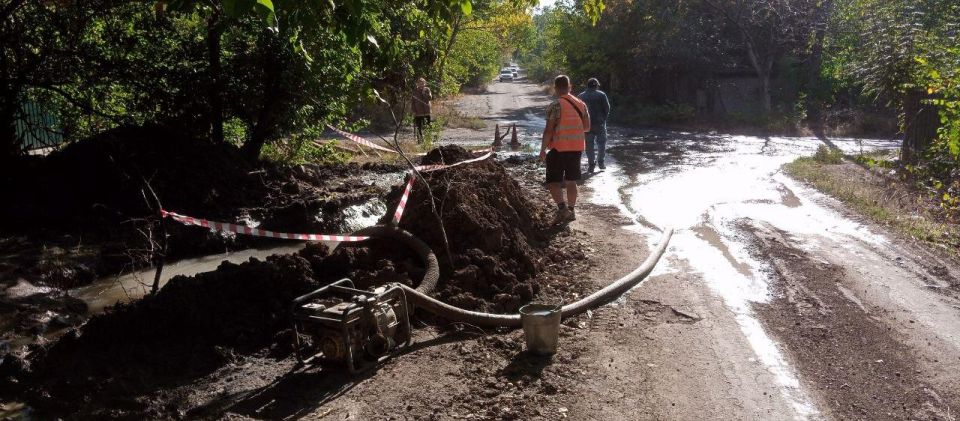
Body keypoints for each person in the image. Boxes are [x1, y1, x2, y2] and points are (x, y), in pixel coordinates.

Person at [540, 75, 590, 224]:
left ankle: (562, 210)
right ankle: (572, 211)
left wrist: (542, 149)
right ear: (570, 87)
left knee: (553, 182)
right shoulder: (581, 104)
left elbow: (549, 130)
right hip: (576, 148)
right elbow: (586, 127)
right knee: (571, 181)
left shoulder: (555, 105)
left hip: (558, 149)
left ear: (555, 88)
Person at [578, 77, 611, 172]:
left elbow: (578, 111)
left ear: (587, 85)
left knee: (589, 145)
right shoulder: (601, 95)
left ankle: (591, 165)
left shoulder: (581, 96)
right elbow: (607, 108)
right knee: (601, 143)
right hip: (600, 123)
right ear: (596, 85)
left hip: (587, 124)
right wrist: (604, 118)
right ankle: (601, 163)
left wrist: (582, 121)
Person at [412, 77, 432, 143]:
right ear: (417, 84)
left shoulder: (427, 89)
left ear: (425, 83)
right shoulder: (415, 91)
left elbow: (430, 98)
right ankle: (420, 141)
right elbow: (412, 102)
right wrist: (414, 111)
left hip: (426, 111)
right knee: (418, 127)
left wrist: (424, 93)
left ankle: (428, 140)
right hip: (418, 112)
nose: (421, 85)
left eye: (423, 83)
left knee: (428, 126)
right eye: (420, 83)